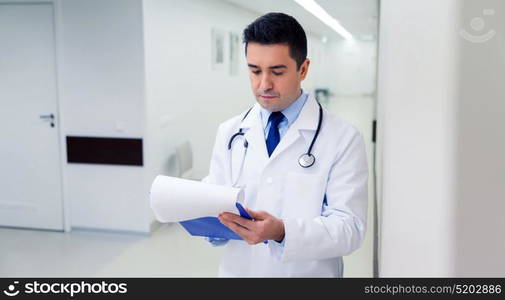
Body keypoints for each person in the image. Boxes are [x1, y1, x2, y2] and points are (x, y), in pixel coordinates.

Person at [202, 12, 368, 277]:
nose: (264, 84)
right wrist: (204, 218)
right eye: (254, 71)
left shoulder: (343, 138)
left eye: (277, 72)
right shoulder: (230, 132)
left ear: (303, 69)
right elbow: (216, 204)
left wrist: (281, 232)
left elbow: (350, 229)